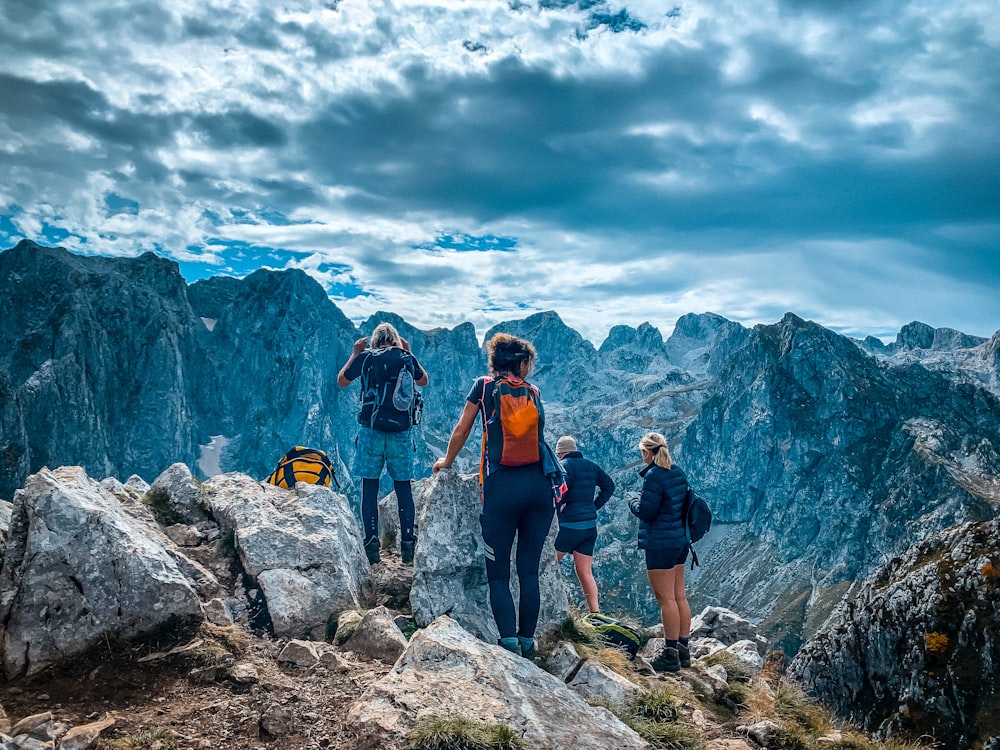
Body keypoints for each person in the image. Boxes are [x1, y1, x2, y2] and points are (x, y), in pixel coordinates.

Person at [432, 333, 554, 660]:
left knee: (498, 575)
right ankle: (529, 643)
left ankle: (509, 645)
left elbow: (462, 429)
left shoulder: (485, 387)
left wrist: (448, 461)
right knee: (528, 571)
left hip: (502, 490)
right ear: (522, 364)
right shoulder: (534, 392)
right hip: (540, 490)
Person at [338, 322, 428, 566]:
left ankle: (371, 546)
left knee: (369, 488)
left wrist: (356, 353)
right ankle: (408, 545)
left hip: (371, 431)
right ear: (396, 340)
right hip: (400, 432)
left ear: (376, 341)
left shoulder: (366, 357)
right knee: (403, 489)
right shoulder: (405, 357)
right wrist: (409, 352)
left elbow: (342, 381)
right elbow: (424, 381)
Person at [627, 431, 692, 672]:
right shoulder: (676, 471)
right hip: (680, 542)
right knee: (679, 596)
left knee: (666, 599)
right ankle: (684, 650)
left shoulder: (654, 475)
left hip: (660, 544)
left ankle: (670, 654)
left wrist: (633, 500)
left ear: (647, 452)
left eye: (642, 452)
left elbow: (647, 512)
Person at [554, 435, 615, 614]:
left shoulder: (564, 467)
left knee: (547, 564)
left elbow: (560, 493)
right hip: (589, 526)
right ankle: (595, 613)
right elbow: (609, 486)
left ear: (561, 452)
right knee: (585, 572)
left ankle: (549, 608)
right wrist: (594, 506)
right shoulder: (591, 466)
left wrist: (559, 511)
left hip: (569, 526)